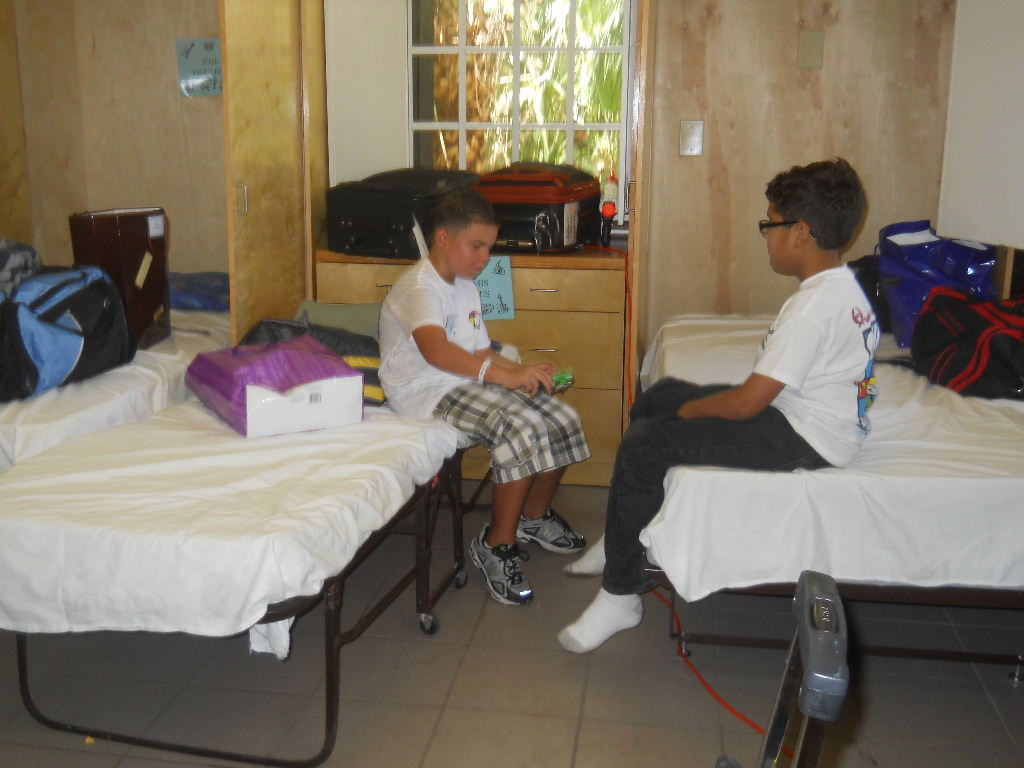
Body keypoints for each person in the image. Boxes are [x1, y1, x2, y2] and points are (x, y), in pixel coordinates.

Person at [559, 157, 879, 652]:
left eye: (770, 224)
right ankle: (623, 535)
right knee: (661, 395)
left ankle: (621, 594)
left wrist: (691, 413)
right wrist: (683, 405)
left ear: (801, 233)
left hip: (807, 437)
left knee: (645, 445)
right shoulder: (840, 285)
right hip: (802, 413)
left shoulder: (815, 308)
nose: (765, 236)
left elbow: (746, 405)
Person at [378, 188, 591, 606]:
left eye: (489, 247)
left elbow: (480, 351)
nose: (485, 257)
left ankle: (533, 517)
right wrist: (505, 377)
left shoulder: (465, 285)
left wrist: (523, 372)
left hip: (461, 380)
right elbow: (437, 352)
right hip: (424, 391)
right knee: (520, 428)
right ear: (444, 238)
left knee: (562, 418)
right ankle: (495, 545)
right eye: (476, 246)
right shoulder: (418, 287)